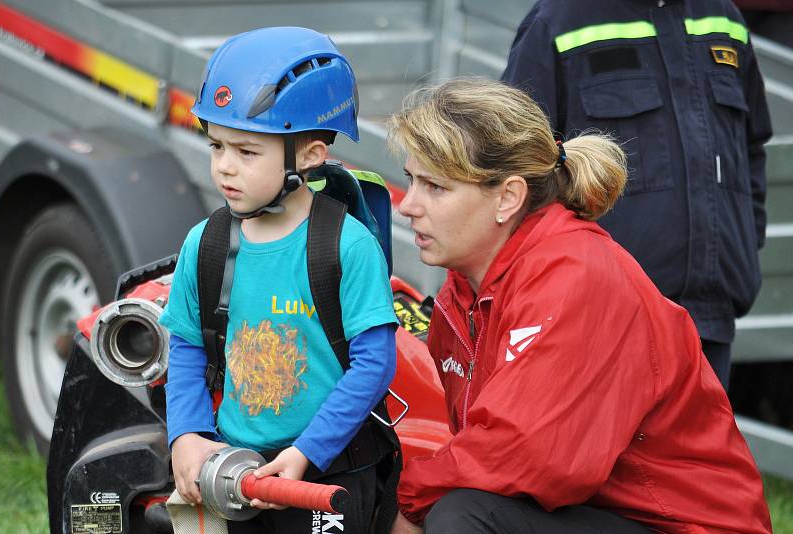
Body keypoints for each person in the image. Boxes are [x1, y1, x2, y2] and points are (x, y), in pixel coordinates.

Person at [387, 78, 771, 534]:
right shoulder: (466, 286)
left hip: (680, 525)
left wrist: (403, 504)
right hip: (594, 514)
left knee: (465, 517)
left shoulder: (575, 275)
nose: (408, 205)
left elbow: (524, 455)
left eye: (435, 187)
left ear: (508, 197)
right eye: (412, 180)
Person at [159, 27, 398, 533]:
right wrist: (187, 434)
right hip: (236, 469)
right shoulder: (206, 243)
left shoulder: (347, 246)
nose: (225, 167)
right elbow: (185, 346)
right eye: (216, 146)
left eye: (246, 152)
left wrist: (307, 451)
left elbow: (374, 365)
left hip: (327, 473)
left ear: (309, 154)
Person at [500, 0, 773, 388]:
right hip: (602, 323)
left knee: (703, 451)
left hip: (709, 320)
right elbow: (516, 165)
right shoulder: (557, 21)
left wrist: (744, 242)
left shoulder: (725, 19)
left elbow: (751, 148)